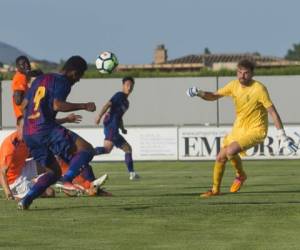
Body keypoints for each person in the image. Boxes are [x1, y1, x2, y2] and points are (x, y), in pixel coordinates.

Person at [186, 59, 297, 197]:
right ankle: (215, 190)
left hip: (257, 130)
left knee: (231, 150)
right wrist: (199, 93)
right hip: (239, 128)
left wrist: (282, 136)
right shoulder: (233, 85)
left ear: (252, 74)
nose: (242, 76)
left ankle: (241, 175)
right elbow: (214, 96)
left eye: (245, 73)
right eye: (239, 72)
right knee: (220, 157)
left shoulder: (259, 89)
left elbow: (273, 112)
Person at [18, 55, 96, 210]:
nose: (78, 80)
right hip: (45, 129)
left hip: (29, 133)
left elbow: (23, 106)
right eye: (79, 76)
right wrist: (84, 106)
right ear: (73, 72)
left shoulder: (40, 79)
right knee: (87, 149)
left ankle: (26, 200)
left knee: (53, 172)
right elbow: (57, 105)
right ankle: (66, 179)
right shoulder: (63, 82)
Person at [94, 76, 139, 180]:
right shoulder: (119, 95)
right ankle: (84, 154)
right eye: (127, 85)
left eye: (131, 85)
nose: (129, 87)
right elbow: (108, 104)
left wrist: (122, 128)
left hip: (115, 127)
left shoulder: (126, 103)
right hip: (110, 126)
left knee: (127, 149)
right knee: (107, 148)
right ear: (123, 86)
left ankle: (132, 173)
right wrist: (99, 116)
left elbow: (119, 117)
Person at [0, 118, 54, 200]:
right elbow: (2, 172)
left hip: (22, 168)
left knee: (50, 162)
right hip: (13, 181)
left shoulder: (29, 139)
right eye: (24, 128)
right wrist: (8, 193)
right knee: (50, 192)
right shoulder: (10, 145)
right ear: (17, 127)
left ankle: (64, 182)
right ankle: (17, 193)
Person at [11, 56, 43, 120]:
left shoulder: (23, 76)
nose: (26, 65)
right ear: (18, 67)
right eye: (23, 64)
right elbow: (18, 100)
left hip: (26, 118)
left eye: (27, 63)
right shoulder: (20, 77)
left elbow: (33, 73)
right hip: (25, 118)